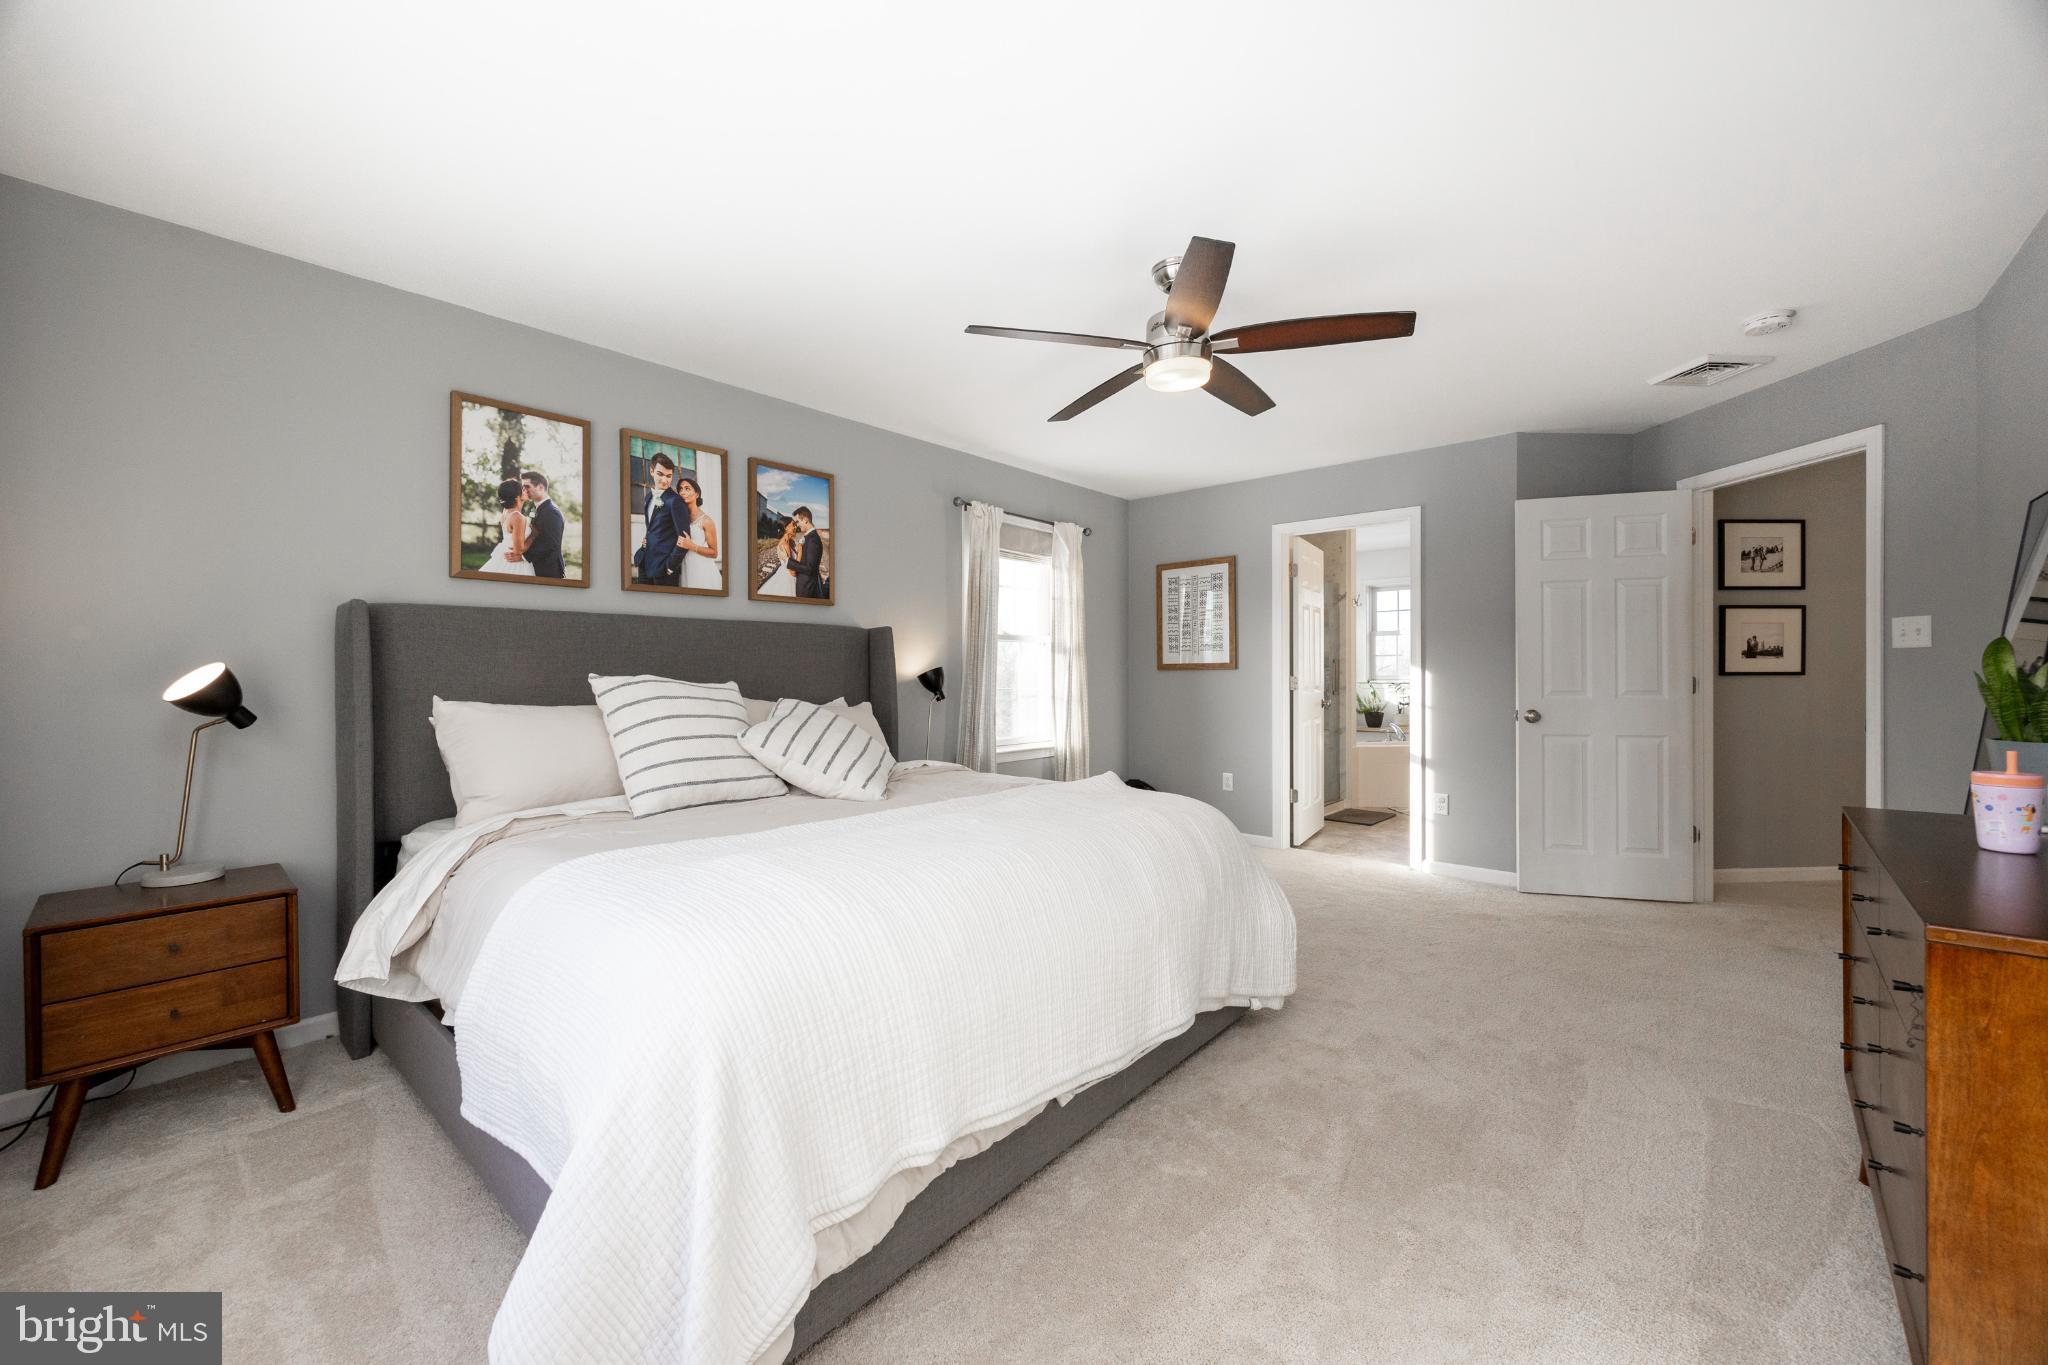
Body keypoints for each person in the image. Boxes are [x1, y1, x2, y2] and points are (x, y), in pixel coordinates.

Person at [632, 452, 685, 586]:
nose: (665, 480)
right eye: (660, 474)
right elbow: (651, 528)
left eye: (669, 476)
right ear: (651, 471)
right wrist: (646, 541)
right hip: (644, 561)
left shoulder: (675, 501)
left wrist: (670, 566)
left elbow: (684, 538)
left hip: (663, 568)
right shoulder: (648, 497)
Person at [516, 469, 566, 579]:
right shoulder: (536, 508)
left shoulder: (552, 512)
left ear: (541, 487)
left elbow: (550, 544)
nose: (523, 490)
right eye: (523, 487)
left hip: (549, 570)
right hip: (538, 567)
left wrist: (523, 557)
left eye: (527, 486)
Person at [673, 475, 720, 591]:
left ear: (697, 494)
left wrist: (691, 546)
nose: (683, 492)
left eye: (687, 488)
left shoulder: (706, 521)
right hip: (683, 566)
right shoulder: (678, 517)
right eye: (680, 489)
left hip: (701, 569)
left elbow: (714, 553)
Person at [481, 478, 535, 577]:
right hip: (515, 563)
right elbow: (518, 550)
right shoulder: (517, 516)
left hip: (505, 554)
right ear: (516, 498)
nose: (526, 491)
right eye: (522, 490)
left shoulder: (506, 511)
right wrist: (533, 536)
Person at [785, 505, 827, 599]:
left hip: (807, 588)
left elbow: (809, 568)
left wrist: (788, 562)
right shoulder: (809, 537)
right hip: (805, 585)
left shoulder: (813, 540)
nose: (797, 525)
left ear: (805, 520)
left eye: (797, 522)